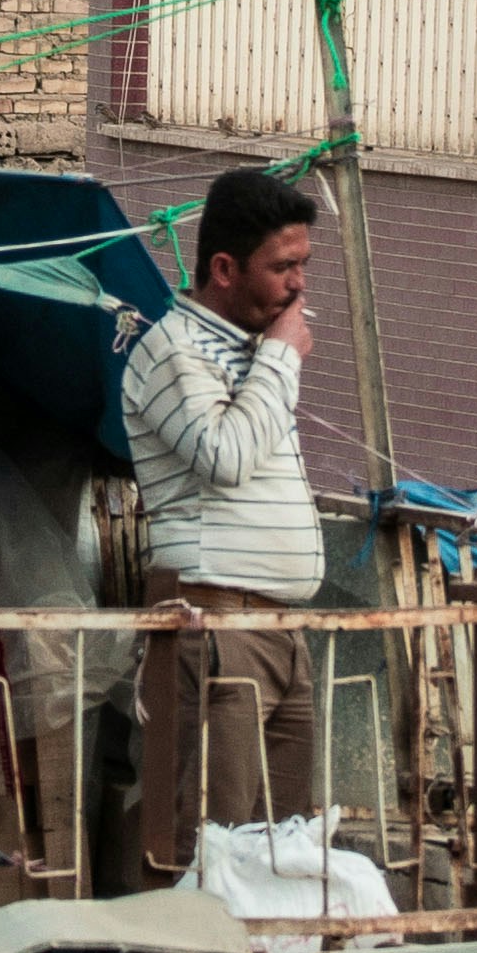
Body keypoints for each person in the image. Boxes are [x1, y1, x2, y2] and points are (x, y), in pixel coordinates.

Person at [120, 162, 328, 871]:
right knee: (210, 842)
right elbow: (224, 455)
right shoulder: (170, 352)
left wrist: (270, 361)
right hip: (215, 625)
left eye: (303, 264)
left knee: (286, 848)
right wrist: (277, 362)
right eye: (283, 267)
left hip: (278, 631)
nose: (299, 285)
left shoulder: (253, 352)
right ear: (223, 268)